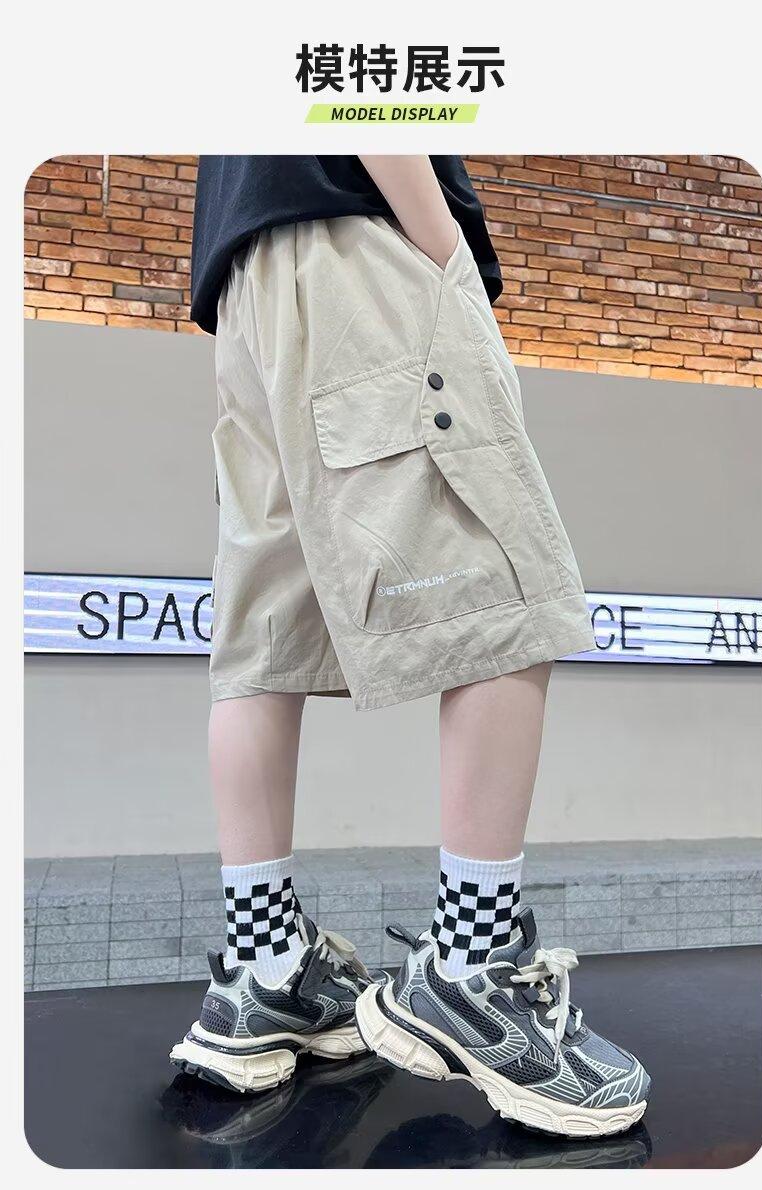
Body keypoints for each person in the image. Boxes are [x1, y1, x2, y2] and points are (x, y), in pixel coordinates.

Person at [170, 156, 650, 1135]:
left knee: (261, 642)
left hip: (243, 285)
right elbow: (368, 89)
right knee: (513, 594)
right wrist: (449, 264)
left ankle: (264, 972)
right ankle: (471, 970)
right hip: (363, 250)